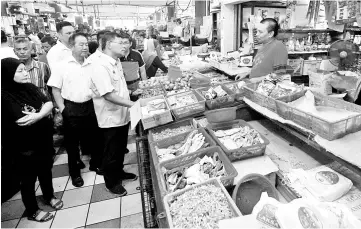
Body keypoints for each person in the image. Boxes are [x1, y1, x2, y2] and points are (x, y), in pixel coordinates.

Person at [1, 58, 63, 222]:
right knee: (27, 178)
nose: (25, 73)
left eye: (25, 70)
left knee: (45, 170)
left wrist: (39, 115)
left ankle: (49, 196)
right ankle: (32, 210)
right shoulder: (4, 95)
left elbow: (48, 102)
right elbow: (22, 119)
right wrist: (41, 112)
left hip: (42, 139)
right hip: (22, 145)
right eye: (20, 71)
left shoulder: (30, 87)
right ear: (8, 74)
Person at [47, 33, 103, 186]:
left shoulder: (92, 64)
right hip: (71, 107)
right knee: (72, 144)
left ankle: (95, 164)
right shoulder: (62, 65)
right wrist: (63, 109)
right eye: (81, 44)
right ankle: (75, 173)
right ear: (72, 46)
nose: (85, 47)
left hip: (90, 105)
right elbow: (55, 90)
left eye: (86, 44)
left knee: (96, 139)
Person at [88, 32, 138, 195]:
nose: (126, 46)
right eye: (121, 43)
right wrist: (135, 105)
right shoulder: (99, 64)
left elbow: (120, 87)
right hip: (110, 117)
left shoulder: (115, 61)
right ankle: (112, 182)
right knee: (111, 151)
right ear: (109, 44)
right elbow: (108, 94)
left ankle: (119, 172)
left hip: (122, 114)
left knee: (120, 148)